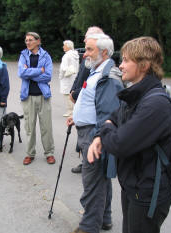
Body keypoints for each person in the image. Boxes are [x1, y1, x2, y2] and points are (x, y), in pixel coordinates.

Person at [88, 37, 171, 233]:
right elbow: (115, 115)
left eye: (126, 60)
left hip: (147, 194)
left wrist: (105, 131)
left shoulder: (155, 104)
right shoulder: (137, 94)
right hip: (133, 186)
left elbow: (119, 144)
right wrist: (105, 131)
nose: (121, 65)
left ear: (143, 65)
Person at [66, 33, 122, 233]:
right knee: (101, 180)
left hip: (94, 135)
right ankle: (104, 219)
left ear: (104, 52)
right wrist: (77, 116)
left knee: (92, 183)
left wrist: (97, 138)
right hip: (88, 130)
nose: (84, 54)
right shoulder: (97, 70)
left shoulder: (107, 76)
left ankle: (89, 227)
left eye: (89, 50)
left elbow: (109, 113)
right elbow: (94, 102)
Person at [70, 26, 106, 174]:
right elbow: (79, 77)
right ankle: (85, 161)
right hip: (79, 98)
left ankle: (87, 163)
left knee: (93, 182)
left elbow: (89, 86)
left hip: (90, 119)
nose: (84, 40)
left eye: (87, 38)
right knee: (82, 140)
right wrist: (73, 91)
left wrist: (76, 94)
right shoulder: (89, 59)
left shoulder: (101, 69)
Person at [18, 32, 55, 166]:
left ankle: (49, 153)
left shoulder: (46, 56)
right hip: (28, 97)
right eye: (26, 40)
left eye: (30, 40)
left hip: (43, 96)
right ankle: (30, 154)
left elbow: (48, 76)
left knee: (46, 127)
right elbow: (21, 73)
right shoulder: (23, 55)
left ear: (38, 41)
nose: (27, 42)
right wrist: (40, 70)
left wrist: (29, 73)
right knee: (29, 127)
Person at [60, 40, 79, 117]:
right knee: (71, 92)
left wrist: (61, 75)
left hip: (67, 77)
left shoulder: (67, 56)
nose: (63, 47)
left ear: (68, 46)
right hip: (74, 76)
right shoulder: (75, 55)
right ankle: (73, 110)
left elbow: (63, 68)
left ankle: (70, 111)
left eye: (64, 45)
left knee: (67, 94)